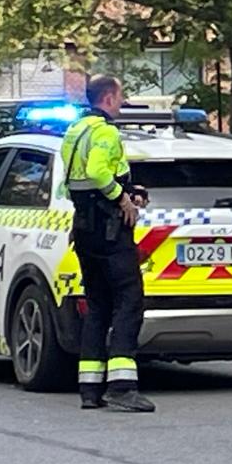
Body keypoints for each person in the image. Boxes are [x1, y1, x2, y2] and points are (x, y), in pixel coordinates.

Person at [61, 75, 154, 413]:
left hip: (86, 227)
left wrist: (129, 193)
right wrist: (123, 200)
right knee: (130, 300)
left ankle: (89, 387)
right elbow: (100, 172)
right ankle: (122, 385)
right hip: (110, 230)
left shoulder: (75, 131)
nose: (122, 100)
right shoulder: (105, 131)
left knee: (98, 305)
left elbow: (73, 182)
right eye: (121, 95)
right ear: (110, 97)